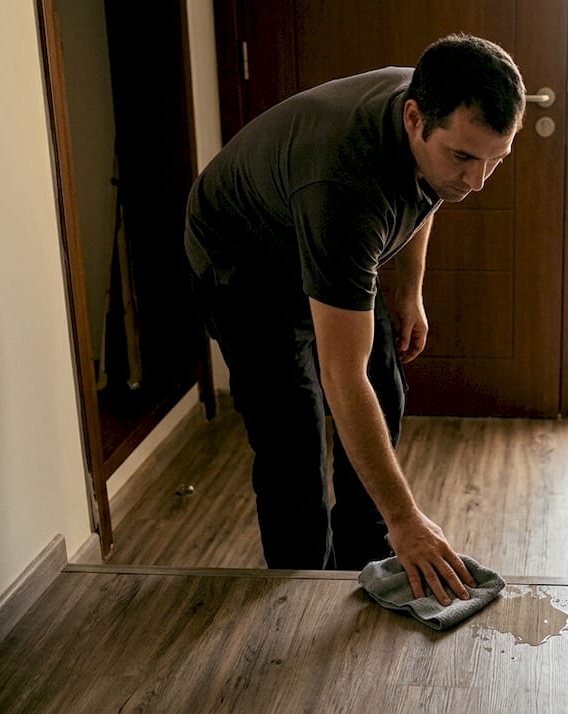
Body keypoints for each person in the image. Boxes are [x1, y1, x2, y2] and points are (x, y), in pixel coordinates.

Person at [183, 33, 526, 606]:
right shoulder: (344, 186)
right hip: (247, 270)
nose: (477, 181)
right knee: (294, 440)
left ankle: (366, 558)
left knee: (384, 391)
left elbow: (429, 195)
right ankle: (303, 596)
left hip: (319, 240)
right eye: (465, 158)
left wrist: (409, 291)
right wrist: (410, 519)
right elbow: (344, 380)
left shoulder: (436, 120)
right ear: (413, 119)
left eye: (496, 159)